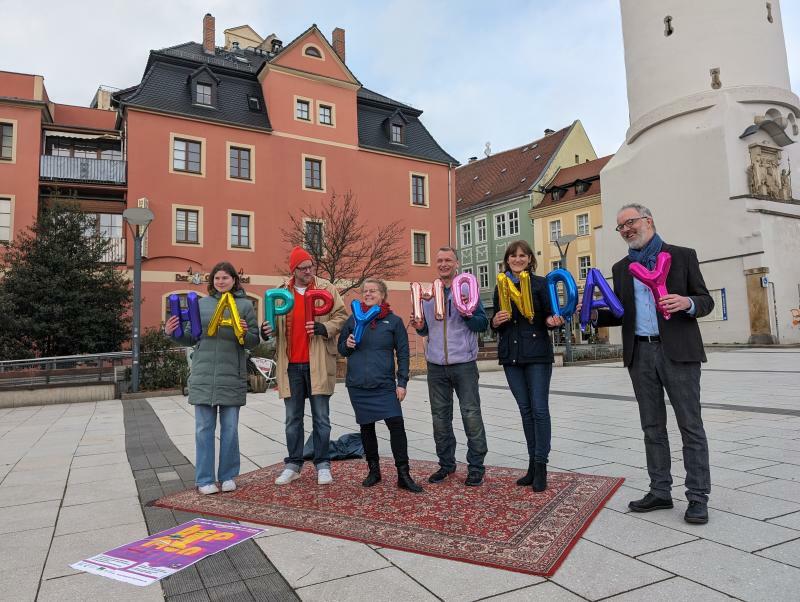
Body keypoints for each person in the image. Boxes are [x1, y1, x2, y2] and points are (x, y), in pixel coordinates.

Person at [591, 203, 714, 524]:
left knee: (690, 425)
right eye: (621, 227)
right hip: (640, 354)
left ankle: (697, 496)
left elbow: (706, 300)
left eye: (630, 222)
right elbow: (620, 314)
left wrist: (687, 302)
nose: (626, 230)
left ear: (648, 221)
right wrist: (594, 314)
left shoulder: (682, 256)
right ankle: (660, 490)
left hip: (679, 352)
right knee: (651, 426)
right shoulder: (621, 268)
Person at [165, 261, 259, 495]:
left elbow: (254, 340)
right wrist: (171, 333)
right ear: (212, 281)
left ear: (234, 280)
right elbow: (190, 337)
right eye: (217, 278)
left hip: (232, 374)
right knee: (203, 429)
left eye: (225, 278)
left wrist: (246, 333)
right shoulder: (201, 304)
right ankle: (205, 479)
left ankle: (228, 476)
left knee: (230, 430)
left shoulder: (245, 306)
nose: (221, 281)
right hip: (203, 374)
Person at [260, 247, 347, 485]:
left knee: (321, 418)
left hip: (318, 362)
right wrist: (265, 330)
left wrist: (325, 328)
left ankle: (323, 465)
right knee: (292, 419)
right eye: (303, 268)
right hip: (291, 365)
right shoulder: (280, 294)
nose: (309, 271)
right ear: (294, 270)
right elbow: (271, 326)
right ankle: (293, 464)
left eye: (311, 266)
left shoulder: (326, 289)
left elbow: (341, 315)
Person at [410, 246, 489, 486]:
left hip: (463, 363)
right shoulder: (428, 294)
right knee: (440, 418)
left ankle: (476, 466)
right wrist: (418, 325)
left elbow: (482, 324)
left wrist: (467, 314)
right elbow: (426, 329)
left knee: (471, 414)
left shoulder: (468, 289)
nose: (443, 264)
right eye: (439, 260)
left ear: (457, 263)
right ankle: (446, 464)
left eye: (448, 260)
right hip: (435, 365)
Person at [490, 241, 564, 492]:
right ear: (507, 259)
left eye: (523, 255)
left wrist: (553, 321)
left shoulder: (541, 284)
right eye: (513, 255)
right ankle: (532, 464)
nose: (518, 259)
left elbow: (550, 316)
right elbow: (497, 322)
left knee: (539, 409)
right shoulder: (501, 285)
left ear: (530, 259)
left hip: (537, 354)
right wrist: (495, 321)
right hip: (511, 356)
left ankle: (541, 465)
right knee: (525, 410)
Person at [338, 278, 423, 493]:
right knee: (366, 428)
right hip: (358, 384)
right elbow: (341, 348)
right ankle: (373, 471)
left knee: (396, 425)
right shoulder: (353, 320)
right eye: (365, 291)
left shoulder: (394, 322)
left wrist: (401, 383)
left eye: (373, 291)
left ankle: (403, 474)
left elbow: (403, 354)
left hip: (385, 385)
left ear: (382, 294)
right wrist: (346, 344)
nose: (368, 294)